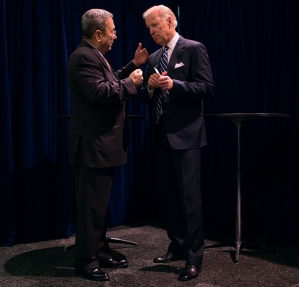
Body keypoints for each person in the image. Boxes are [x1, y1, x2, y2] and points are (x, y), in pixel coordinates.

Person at [67, 8, 148, 282]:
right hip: (93, 147)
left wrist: (133, 66)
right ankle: (86, 261)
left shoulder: (94, 55)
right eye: (112, 31)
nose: (115, 35)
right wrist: (131, 82)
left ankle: (99, 251)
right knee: (91, 208)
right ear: (98, 33)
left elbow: (111, 79)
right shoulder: (82, 58)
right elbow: (100, 93)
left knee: (98, 206)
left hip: (103, 146)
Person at [140, 5, 214, 282]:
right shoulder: (155, 57)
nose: (151, 32)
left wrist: (176, 86)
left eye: (154, 26)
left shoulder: (193, 49)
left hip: (186, 136)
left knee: (190, 199)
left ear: (170, 21)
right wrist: (149, 87)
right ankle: (178, 246)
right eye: (149, 28)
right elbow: (148, 99)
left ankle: (195, 257)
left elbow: (207, 87)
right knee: (169, 196)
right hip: (160, 135)